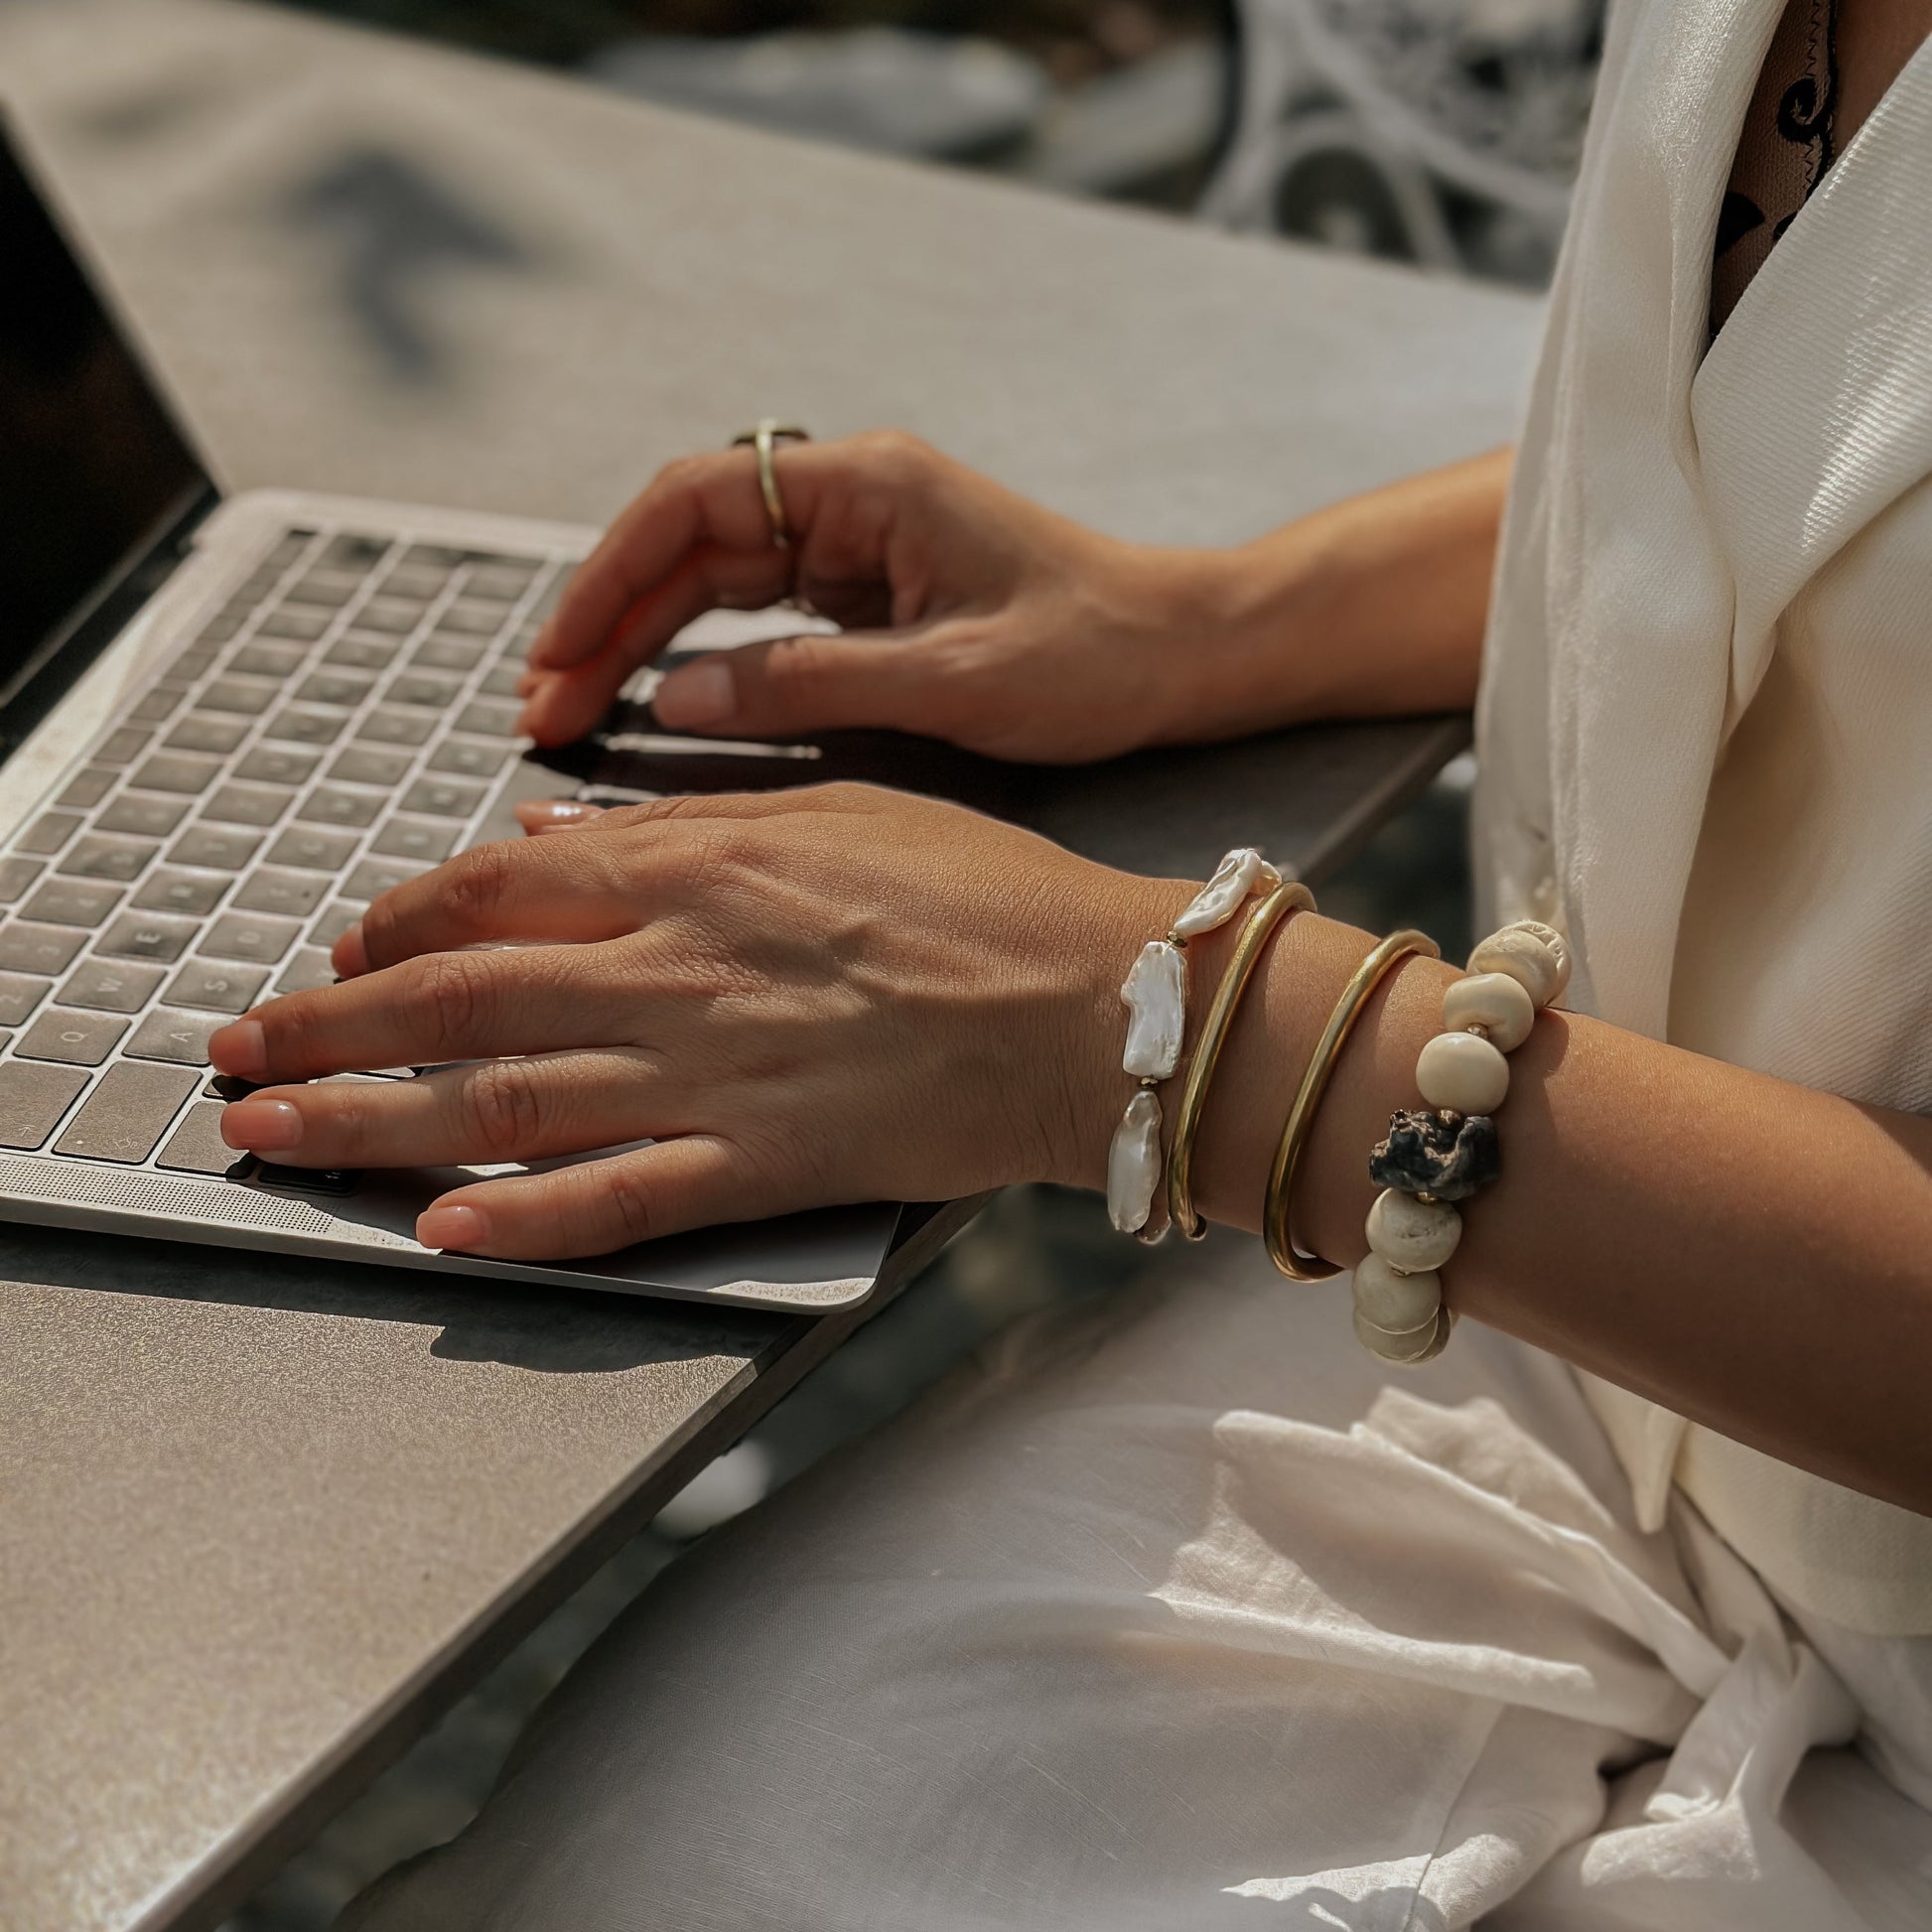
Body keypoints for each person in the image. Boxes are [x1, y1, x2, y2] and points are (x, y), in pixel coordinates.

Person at [224, 0, 1932, 1922]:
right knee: (586, 1888)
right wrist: (1205, 624)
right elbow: (1750, 417)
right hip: (1583, 1344)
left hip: (1641, 1328)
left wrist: (1147, 1028)